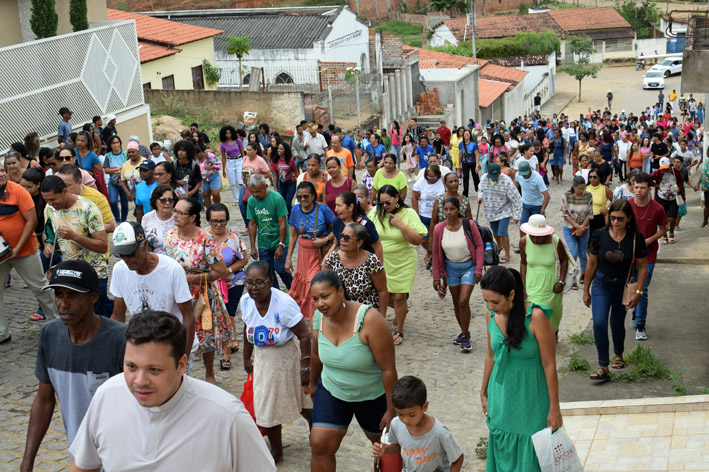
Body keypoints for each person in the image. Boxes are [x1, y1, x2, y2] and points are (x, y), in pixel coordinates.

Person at [68, 310, 276, 471]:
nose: (140, 381)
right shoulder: (107, 396)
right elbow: (84, 465)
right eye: (131, 367)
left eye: (154, 370)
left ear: (182, 365)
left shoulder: (227, 417)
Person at [20, 261, 125, 472]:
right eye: (59, 294)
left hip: (121, 458)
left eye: (73, 295)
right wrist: (27, 461)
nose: (63, 304)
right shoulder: (49, 335)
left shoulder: (120, 338)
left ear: (94, 297)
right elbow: (44, 400)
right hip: (80, 459)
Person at [309, 270, 397, 471]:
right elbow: (315, 354)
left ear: (340, 292)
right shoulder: (318, 318)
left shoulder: (370, 320)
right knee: (320, 444)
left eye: (325, 296)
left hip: (372, 394)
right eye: (315, 299)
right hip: (333, 390)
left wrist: (391, 409)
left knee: (386, 448)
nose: (320, 303)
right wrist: (313, 383)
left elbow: (388, 369)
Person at [480, 266, 562, 471]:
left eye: (495, 302)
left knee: (534, 454)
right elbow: (491, 355)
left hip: (532, 399)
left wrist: (554, 408)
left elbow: (549, 363)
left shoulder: (536, 317)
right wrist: (483, 391)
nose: (491, 307)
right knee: (503, 452)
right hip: (502, 397)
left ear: (512, 294)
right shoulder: (491, 316)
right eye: (486, 301)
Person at [239, 262, 313, 463]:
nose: (254, 288)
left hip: (287, 354)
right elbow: (248, 330)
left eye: (259, 283)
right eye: (249, 283)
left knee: (303, 400)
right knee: (266, 404)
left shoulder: (283, 303)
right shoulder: (246, 302)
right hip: (264, 358)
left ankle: (316, 431)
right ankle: (276, 451)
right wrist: (247, 357)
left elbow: (305, 335)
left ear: (270, 282)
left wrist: (305, 368)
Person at [164, 198, 231, 384]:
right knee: (178, 333)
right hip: (176, 295)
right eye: (175, 211)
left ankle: (209, 373)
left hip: (201, 295)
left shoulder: (205, 239)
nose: (175, 215)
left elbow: (220, 271)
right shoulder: (170, 236)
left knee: (205, 335)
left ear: (193, 217)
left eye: (180, 213)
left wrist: (190, 279)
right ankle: (179, 372)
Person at [109, 219, 197, 360]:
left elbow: (188, 315)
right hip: (142, 346)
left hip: (173, 346)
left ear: (144, 245)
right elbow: (118, 315)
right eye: (121, 255)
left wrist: (183, 355)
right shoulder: (119, 270)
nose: (126, 259)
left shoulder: (172, 269)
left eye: (130, 253)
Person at [583, 200, 648, 381]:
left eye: (620, 218)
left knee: (617, 323)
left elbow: (643, 267)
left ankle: (618, 354)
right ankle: (603, 365)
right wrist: (586, 289)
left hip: (623, 286)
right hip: (601, 284)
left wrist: (638, 293)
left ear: (628, 219)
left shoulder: (636, 238)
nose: (616, 222)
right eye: (612, 217)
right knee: (599, 322)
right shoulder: (599, 235)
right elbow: (592, 263)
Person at [0, 166, 58, 339]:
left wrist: (18, 247)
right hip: (1, 254)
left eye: (2, 170)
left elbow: (32, 221)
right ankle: (2, 333)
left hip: (24, 250)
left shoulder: (18, 191)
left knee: (41, 287)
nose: (2, 174)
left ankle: (58, 324)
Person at [41, 176, 109, 317]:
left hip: (94, 272)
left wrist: (74, 236)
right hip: (69, 274)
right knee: (75, 318)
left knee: (96, 318)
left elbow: (103, 246)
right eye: (46, 200)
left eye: (53, 199)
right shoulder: (49, 208)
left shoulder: (88, 208)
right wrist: (48, 244)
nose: (50, 203)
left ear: (65, 191)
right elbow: (48, 232)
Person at [371, 185, 427, 345]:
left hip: (403, 261)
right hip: (382, 261)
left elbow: (418, 240)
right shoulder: (376, 212)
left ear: (397, 198)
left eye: (387, 202)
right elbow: (366, 228)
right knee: (384, 295)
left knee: (399, 296)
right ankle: (400, 309)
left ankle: (399, 329)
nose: (384, 206)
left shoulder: (409, 214)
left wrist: (401, 225)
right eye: (381, 203)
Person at [371, 376, 464, 472]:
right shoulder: (396, 424)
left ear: (425, 406)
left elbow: (458, 457)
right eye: (400, 414)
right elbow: (400, 447)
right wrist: (384, 450)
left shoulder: (439, 432)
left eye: (411, 415)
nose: (405, 420)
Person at [431, 197, 484, 352]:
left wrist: (478, 269)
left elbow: (479, 246)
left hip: (468, 266)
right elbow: (435, 252)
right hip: (451, 269)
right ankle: (464, 331)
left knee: (463, 301)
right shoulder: (439, 229)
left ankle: (465, 335)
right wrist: (436, 277)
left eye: (452, 209)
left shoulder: (469, 225)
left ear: (458, 209)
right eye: (446, 209)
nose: (449, 212)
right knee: (455, 301)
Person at [285, 182, 336, 319]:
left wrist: (325, 240)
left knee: (313, 282)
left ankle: (317, 316)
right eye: (299, 197)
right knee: (301, 282)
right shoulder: (295, 210)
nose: (302, 200)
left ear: (313, 196)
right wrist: (288, 257)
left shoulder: (323, 209)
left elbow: (337, 229)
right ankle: (305, 315)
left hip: (318, 254)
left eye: (306, 196)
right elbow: (293, 234)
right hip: (302, 254)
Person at [628, 173, 668, 340]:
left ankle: (641, 325)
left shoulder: (657, 208)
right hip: (629, 254)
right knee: (632, 286)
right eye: (636, 187)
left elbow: (663, 228)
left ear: (649, 189)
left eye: (642, 188)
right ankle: (635, 313)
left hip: (649, 255)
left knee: (642, 289)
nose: (638, 190)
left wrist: (650, 239)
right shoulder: (627, 205)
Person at [206, 203, 248, 355]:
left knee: (229, 311)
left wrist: (227, 270)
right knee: (215, 312)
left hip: (234, 279)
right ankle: (221, 339)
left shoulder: (234, 237)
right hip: (212, 282)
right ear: (208, 221)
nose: (218, 225)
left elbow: (244, 260)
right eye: (214, 221)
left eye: (222, 221)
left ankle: (230, 341)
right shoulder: (204, 238)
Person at [519, 215, 568, 335]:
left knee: (552, 319)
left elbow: (564, 260)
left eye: (538, 236)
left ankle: (552, 340)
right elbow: (523, 263)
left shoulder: (555, 241)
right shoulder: (524, 241)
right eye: (532, 236)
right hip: (532, 288)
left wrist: (561, 282)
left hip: (551, 289)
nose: (535, 240)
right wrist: (522, 285)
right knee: (534, 317)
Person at [247, 174, 292, 290]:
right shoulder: (252, 201)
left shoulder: (277, 198)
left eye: (257, 191)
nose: (255, 195)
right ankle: (275, 295)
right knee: (268, 273)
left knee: (281, 269)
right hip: (264, 243)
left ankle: (293, 290)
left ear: (266, 187)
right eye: (252, 192)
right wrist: (253, 246)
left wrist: (281, 245)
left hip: (280, 241)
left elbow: (282, 222)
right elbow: (252, 224)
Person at [478, 164, 522, 263]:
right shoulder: (484, 178)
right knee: (495, 231)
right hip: (491, 209)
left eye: (494, 177)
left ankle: (507, 255)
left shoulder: (507, 181)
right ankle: (499, 245)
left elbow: (517, 199)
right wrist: (480, 196)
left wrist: (517, 215)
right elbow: (480, 189)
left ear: (499, 173)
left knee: (503, 232)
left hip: (504, 209)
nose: (492, 179)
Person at [330, 190, 383, 261]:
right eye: (336, 205)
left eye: (339, 205)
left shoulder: (366, 224)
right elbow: (336, 244)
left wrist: (378, 268)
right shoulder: (338, 221)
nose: (336, 209)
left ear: (351, 207)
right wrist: (326, 258)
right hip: (344, 265)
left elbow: (378, 248)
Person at [561, 176, 593, 290]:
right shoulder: (566, 196)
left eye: (583, 188)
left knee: (583, 254)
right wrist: (576, 226)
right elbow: (564, 213)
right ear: (573, 187)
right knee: (573, 253)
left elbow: (590, 213)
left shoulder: (588, 195)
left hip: (584, 227)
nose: (582, 191)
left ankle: (583, 272)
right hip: (569, 227)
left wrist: (582, 227)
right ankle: (573, 278)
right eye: (579, 188)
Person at [412, 164, 445, 269]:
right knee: (425, 240)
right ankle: (429, 251)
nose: (431, 179)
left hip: (439, 217)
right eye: (429, 177)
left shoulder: (443, 181)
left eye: (434, 177)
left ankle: (438, 256)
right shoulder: (421, 182)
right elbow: (414, 197)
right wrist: (416, 214)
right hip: (424, 215)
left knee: (439, 239)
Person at [651, 157, 684, 244]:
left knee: (672, 218)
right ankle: (664, 235)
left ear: (670, 165)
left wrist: (679, 189)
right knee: (662, 218)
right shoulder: (658, 172)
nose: (664, 170)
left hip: (673, 197)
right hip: (661, 197)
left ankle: (671, 233)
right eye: (663, 168)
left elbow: (681, 180)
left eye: (666, 168)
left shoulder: (675, 171)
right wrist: (656, 185)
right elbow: (649, 179)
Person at [515, 160, 550, 239]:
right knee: (523, 226)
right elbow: (515, 185)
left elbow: (547, 195)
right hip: (525, 204)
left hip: (537, 205)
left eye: (525, 174)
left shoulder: (538, 178)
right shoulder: (518, 175)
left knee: (536, 227)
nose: (523, 176)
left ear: (530, 170)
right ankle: (522, 245)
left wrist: (543, 210)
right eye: (522, 174)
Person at [141, 184, 177, 255]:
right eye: (163, 200)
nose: (167, 203)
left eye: (170, 200)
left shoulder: (178, 218)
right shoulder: (147, 218)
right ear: (155, 201)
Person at [103, 135, 128, 223]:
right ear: (110, 145)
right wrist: (117, 170)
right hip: (113, 183)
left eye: (117, 142)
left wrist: (122, 171)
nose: (115, 145)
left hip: (124, 183)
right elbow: (106, 170)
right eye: (113, 143)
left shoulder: (125, 154)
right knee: (113, 201)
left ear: (120, 144)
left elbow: (130, 166)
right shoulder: (108, 156)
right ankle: (117, 220)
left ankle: (124, 220)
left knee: (124, 203)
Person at [219, 125, 245, 205]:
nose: (228, 135)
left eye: (229, 133)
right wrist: (223, 169)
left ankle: (242, 197)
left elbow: (243, 152)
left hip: (239, 160)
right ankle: (237, 199)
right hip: (230, 162)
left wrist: (245, 163)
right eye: (226, 133)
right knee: (232, 182)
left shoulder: (238, 140)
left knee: (240, 181)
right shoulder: (223, 144)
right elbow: (223, 157)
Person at [271, 141, 299, 214]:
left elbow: (296, 172)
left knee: (288, 203)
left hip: (291, 183)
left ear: (285, 150)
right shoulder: (275, 160)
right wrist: (275, 187)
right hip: (281, 184)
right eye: (278, 149)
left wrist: (300, 182)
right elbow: (274, 174)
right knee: (282, 202)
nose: (279, 150)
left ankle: (290, 218)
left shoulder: (290, 160)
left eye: (281, 149)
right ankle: (284, 218)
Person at [586, 168, 614, 237]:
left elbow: (615, 200)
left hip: (599, 219)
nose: (592, 179)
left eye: (594, 177)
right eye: (590, 177)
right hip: (586, 219)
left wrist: (608, 209)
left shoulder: (604, 189)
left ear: (599, 178)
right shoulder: (585, 188)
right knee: (587, 243)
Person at [458, 130, 479, 196]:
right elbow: (460, 154)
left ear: (470, 135)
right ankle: (465, 193)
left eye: (468, 134)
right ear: (463, 135)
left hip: (473, 163)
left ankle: (478, 189)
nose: (466, 135)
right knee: (465, 177)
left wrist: (477, 165)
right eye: (465, 134)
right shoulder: (461, 144)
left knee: (475, 176)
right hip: (465, 163)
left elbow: (476, 155)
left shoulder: (474, 144)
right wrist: (459, 165)